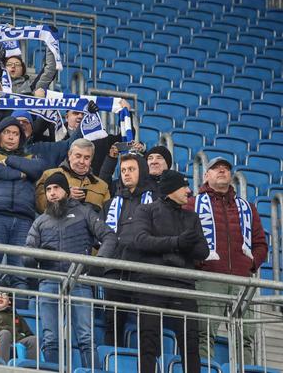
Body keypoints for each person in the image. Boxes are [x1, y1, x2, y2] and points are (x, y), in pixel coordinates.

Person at [23, 172, 116, 367]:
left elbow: (109, 236)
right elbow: (27, 258)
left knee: (85, 338)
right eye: (48, 190)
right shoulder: (40, 221)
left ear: (66, 190)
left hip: (79, 281)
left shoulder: (84, 212)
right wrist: (38, 255)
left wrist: (97, 263)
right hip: (49, 281)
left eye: (56, 188)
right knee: (50, 339)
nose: (52, 193)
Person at [185, 157, 268, 365]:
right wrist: (199, 264)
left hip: (242, 281)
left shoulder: (247, 208)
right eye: (216, 168)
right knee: (204, 333)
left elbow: (261, 244)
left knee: (245, 337)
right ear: (206, 175)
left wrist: (250, 264)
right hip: (208, 277)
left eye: (226, 169)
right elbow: (185, 240)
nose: (222, 171)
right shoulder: (193, 204)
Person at [126, 170, 209, 373]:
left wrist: (178, 244)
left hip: (184, 284)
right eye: (184, 186)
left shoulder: (192, 217)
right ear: (171, 189)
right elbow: (140, 240)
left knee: (190, 343)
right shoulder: (145, 210)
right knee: (149, 340)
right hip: (152, 283)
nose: (189, 191)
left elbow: (203, 251)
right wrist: (178, 242)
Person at [0, 116, 45, 302]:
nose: (12, 137)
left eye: (15, 134)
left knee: (20, 276)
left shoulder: (32, 157)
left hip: (24, 220)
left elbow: (38, 170)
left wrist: (9, 161)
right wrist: (21, 173)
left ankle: (20, 325)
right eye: (7, 132)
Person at [101, 153, 156, 346]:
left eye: (131, 169)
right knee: (112, 322)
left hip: (144, 268)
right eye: (123, 170)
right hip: (115, 269)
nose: (126, 174)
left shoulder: (156, 201)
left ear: (142, 171)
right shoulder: (110, 204)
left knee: (147, 325)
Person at [36, 138, 110, 213]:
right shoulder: (49, 175)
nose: (82, 161)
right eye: (78, 156)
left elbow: (107, 216)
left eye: (86, 158)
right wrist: (66, 196)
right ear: (69, 155)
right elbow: (41, 206)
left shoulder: (103, 186)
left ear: (91, 160)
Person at [12, 110, 81, 169]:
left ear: (31, 128)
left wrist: (85, 122)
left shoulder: (44, 148)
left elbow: (69, 144)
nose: (21, 124)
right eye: (17, 122)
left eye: (25, 122)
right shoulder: (2, 149)